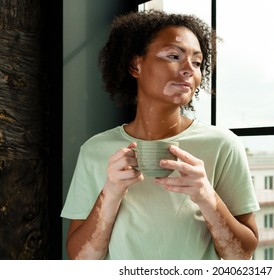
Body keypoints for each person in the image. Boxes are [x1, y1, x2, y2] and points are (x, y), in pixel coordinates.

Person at [61, 9, 260, 260]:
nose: (189, 69)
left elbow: (242, 259)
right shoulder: (95, 150)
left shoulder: (223, 145)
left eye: (197, 62)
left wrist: (207, 197)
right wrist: (110, 193)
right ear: (136, 65)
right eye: (174, 56)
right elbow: (80, 261)